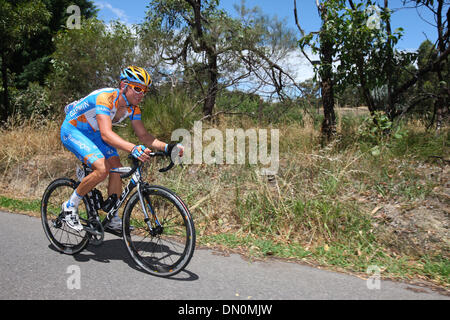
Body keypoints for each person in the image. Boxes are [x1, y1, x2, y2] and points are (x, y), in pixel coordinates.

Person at [60, 66, 183, 231]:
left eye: (144, 90)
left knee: (116, 168)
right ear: (124, 86)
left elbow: (144, 136)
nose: (141, 94)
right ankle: (70, 205)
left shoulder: (133, 109)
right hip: (74, 129)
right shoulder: (106, 98)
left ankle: (112, 217)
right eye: (137, 88)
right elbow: (106, 134)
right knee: (103, 168)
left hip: (94, 132)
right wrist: (133, 149)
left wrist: (169, 147)